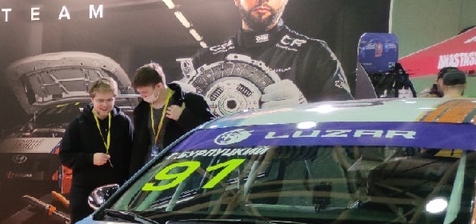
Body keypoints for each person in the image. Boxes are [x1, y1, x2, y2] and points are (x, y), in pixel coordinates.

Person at [184, 0, 351, 110]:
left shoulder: (314, 53)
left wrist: (304, 109)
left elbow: (344, 121)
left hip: (289, 154)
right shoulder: (204, 59)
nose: (262, 0)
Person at [59, 78, 134, 223]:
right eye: (100, 100)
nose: (105, 105)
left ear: (115, 98)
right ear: (92, 99)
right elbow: (65, 156)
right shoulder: (78, 124)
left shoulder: (124, 122)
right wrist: (90, 158)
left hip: (116, 192)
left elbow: (132, 156)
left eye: (109, 100)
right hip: (84, 193)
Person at [129, 63, 212, 176]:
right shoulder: (141, 110)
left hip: (182, 170)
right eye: (139, 92)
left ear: (159, 86)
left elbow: (211, 133)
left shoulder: (190, 101)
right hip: (150, 172)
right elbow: (138, 148)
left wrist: (184, 117)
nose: (142, 96)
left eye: (145, 92)